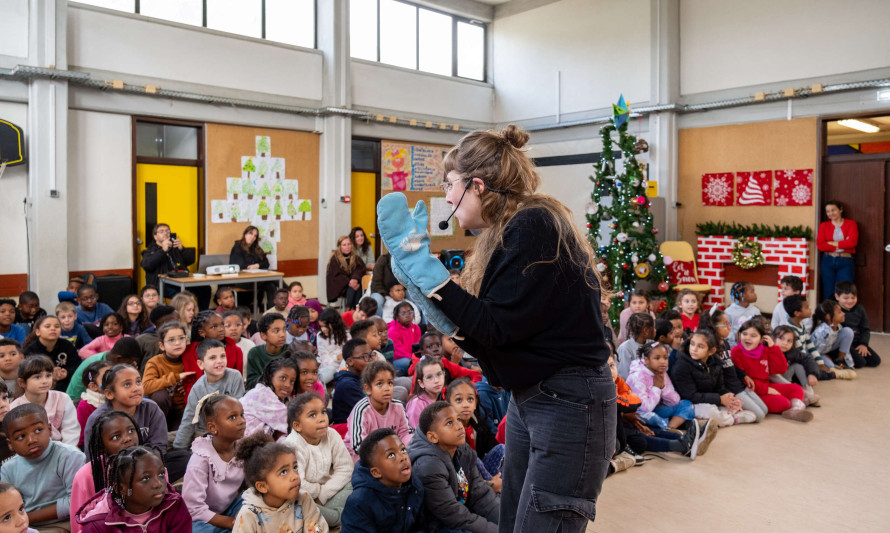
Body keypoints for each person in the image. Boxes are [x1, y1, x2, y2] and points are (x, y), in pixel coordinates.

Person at [378, 125, 615, 532]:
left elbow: (494, 326)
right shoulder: (508, 232)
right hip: (534, 397)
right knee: (514, 521)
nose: (447, 197)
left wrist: (428, 272)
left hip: (570, 402)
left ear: (478, 185)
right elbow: (488, 328)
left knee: (542, 523)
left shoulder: (533, 225)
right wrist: (421, 287)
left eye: (450, 184)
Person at [408, 401, 499, 533]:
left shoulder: (460, 446)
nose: (459, 426)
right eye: (449, 423)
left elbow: (481, 495)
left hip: (462, 513)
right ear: (433, 437)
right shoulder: (427, 466)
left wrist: (511, 523)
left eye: (458, 419)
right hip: (436, 526)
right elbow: (454, 515)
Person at [0, 404, 84, 530]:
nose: (31, 440)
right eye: (21, 437)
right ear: (10, 444)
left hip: (64, 522)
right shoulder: (7, 469)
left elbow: (76, 501)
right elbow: (8, 506)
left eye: (38, 430)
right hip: (22, 524)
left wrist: (28, 517)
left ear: (50, 430)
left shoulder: (69, 456)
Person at [75, 446, 191, 533]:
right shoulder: (97, 526)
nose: (158, 484)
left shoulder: (174, 505)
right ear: (121, 488)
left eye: (161, 474)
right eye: (145, 478)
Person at [232, 432, 328, 533]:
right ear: (262, 486)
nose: (295, 476)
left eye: (295, 467)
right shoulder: (248, 515)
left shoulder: (304, 499)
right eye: (283, 472)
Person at [283, 392, 354, 528]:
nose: (322, 419)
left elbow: (346, 468)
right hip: (305, 497)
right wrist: (317, 493)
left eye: (323, 412)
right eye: (313, 415)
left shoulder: (331, 434)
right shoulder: (291, 446)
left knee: (355, 481)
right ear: (297, 426)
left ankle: (331, 516)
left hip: (328, 493)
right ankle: (337, 516)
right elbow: (298, 484)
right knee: (294, 505)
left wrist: (324, 494)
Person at [71, 411, 143, 533]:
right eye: (116, 437)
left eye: (131, 431)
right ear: (102, 446)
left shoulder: (153, 465)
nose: (127, 438)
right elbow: (78, 522)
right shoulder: (86, 475)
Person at [340, 428, 424, 533]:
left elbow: (421, 526)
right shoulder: (360, 502)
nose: (403, 457)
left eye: (403, 450)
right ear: (376, 472)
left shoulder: (415, 485)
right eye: (391, 455)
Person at [182, 395, 246, 532]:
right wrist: (230, 522)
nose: (242, 421)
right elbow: (193, 509)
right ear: (212, 427)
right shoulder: (200, 461)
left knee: (258, 503)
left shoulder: (243, 448)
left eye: (242, 415)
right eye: (233, 417)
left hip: (229, 508)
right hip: (201, 519)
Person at [730, 319, 813, 422]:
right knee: (784, 403)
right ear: (739, 335)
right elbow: (742, 379)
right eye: (744, 334)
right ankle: (795, 405)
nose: (748, 338)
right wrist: (766, 390)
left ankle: (795, 411)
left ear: (761, 339)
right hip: (752, 391)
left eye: (753, 336)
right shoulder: (736, 352)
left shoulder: (765, 349)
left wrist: (774, 348)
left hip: (766, 385)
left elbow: (781, 369)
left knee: (796, 388)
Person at [669, 330, 756, 427]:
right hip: (690, 404)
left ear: (711, 351)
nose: (694, 349)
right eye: (692, 344)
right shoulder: (681, 366)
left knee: (735, 403)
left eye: (700, 346)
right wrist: (719, 399)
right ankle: (732, 419)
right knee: (711, 411)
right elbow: (690, 396)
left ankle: (719, 417)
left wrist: (727, 396)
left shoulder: (716, 363)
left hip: (709, 400)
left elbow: (719, 387)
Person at [173, 339, 245, 450]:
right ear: (200, 364)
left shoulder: (234, 376)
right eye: (212, 358)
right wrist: (178, 449)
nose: (219, 361)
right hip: (204, 432)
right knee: (171, 440)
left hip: (231, 429)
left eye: (222, 356)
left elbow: (240, 409)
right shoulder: (198, 388)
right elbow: (189, 419)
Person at [344, 361, 413, 463]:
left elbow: (406, 433)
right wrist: (386, 453)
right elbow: (358, 446)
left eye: (390, 383)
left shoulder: (398, 406)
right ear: (368, 389)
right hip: (362, 457)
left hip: (392, 453)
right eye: (379, 384)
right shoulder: (362, 410)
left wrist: (406, 448)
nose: (387, 388)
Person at [10, 355, 79, 446]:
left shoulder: (62, 398)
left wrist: (64, 454)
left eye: (48, 376)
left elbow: (71, 431)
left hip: (64, 450)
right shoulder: (15, 408)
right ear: (22, 383)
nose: (45, 381)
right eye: (37, 377)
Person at [182, 310, 244, 398]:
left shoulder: (236, 350)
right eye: (214, 327)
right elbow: (189, 383)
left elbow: (237, 381)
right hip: (199, 399)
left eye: (222, 324)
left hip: (228, 398)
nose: (221, 329)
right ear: (202, 332)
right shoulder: (189, 352)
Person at [142, 321, 192, 430]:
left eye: (181, 338)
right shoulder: (155, 362)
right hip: (163, 409)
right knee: (160, 395)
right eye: (171, 340)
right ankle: (156, 428)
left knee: (179, 435)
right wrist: (176, 378)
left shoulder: (190, 358)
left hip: (184, 410)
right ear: (161, 345)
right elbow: (145, 387)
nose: (178, 343)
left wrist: (188, 386)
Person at [241, 356, 298, 441]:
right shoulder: (261, 396)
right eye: (283, 378)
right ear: (270, 377)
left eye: (292, 381)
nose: (287, 385)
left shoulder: (270, 394)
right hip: (245, 448)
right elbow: (296, 423)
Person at [22, 316, 80, 393]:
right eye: (47, 326)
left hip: (66, 386)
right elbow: (28, 374)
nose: (53, 329)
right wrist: (49, 374)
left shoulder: (67, 345)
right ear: (38, 332)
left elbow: (77, 366)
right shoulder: (31, 350)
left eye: (57, 326)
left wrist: (66, 373)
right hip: (41, 388)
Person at [816, 200, 858, 298]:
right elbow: (821, 246)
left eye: (833, 210)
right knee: (828, 291)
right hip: (827, 261)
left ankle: (843, 313)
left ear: (840, 210)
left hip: (845, 261)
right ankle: (830, 313)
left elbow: (852, 242)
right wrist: (843, 243)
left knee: (845, 291)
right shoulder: (824, 226)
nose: (830, 213)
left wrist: (831, 243)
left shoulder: (851, 224)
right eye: (828, 211)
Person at [835, 281, 881, 368]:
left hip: (856, 343)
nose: (850, 301)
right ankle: (837, 357)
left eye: (853, 297)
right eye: (846, 298)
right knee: (860, 363)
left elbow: (865, 329)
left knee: (875, 361)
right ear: (837, 297)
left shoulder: (860, 309)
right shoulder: (835, 310)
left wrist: (863, 344)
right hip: (843, 344)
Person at [228, 225, 276, 309]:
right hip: (243, 280)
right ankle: (289, 291)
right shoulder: (237, 248)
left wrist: (257, 265)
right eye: (250, 234)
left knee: (271, 285)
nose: (252, 237)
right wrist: (251, 266)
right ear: (245, 234)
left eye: (255, 236)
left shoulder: (256, 248)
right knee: (273, 279)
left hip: (256, 279)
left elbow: (266, 263)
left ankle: (272, 312)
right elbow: (238, 265)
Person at [140, 223, 195, 294]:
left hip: (181, 281)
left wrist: (182, 249)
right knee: (178, 293)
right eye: (161, 231)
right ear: (155, 237)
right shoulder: (149, 251)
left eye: (167, 231)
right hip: (161, 284)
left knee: (205, 289)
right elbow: (147, 265)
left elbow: (191, 261)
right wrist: (163, 251)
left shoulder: (175, 248)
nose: (165, 233)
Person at [331, 339, 371, 426]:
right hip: (348, 428)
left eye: (371, 355)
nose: (370, 360)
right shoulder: (347, 384)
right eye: (364, 357)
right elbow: (368, 411)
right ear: (350, 361)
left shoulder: (362, 377)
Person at [245, 314, 288, 390]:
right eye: (276, 331)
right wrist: (267, 376)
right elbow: (250, 384)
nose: (282, 335)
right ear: (263, 335)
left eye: (284, 329)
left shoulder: (290, 350)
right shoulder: (255, 353)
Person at [75, 360, 112, 447]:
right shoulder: (86, 405)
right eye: (106, 377)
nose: (113, 379)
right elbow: (82, 438)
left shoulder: (119, 397)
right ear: (93, 386)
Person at [326, 235, 366, 311]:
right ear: (340, 246)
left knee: (357, 286)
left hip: (352, 285)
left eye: (349, 244)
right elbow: (336, 275)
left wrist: (355, 278)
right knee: (353, 287)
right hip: (339, 286)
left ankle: (353, 310)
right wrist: (349, 281)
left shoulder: (356, 258)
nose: (347, 247)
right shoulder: (335, 259)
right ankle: (350, 310)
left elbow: (359, 269)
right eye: (344, 245)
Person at [406, 356, 445, 429]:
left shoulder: (446, 395)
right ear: (421, 383)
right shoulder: (416, 405)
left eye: (439, 374)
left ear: (444, 374)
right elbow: (415, 434)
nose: (436, 380)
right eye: (429, 377)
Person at [616, 312, 654, 380]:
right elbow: (624, 375)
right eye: (653, 328)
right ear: (646, 330)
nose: (655, 330)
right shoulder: (625, 348)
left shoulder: (652, 344)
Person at [724, 281, 762, 347]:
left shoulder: (756, 311)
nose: (755, 294)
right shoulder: (729, 312)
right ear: (742, 295)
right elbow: (725, 331)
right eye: (752, 292)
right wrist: (736, 338)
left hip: (752, 346)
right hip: (734, 346)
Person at [387, 302, 421, 376]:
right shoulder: (392, 330)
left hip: (412, 358)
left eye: (410, 312)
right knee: (408, 362)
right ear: (397, 317)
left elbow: (417, 347)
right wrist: (414, 359)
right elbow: (398, 352)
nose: (407, 316)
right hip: (397, 360)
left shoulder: (416, 328)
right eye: (403, 313)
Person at [316, 309, 348, 386]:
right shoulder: (320, 336)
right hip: (327, 368)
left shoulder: (346, 336)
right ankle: (318, 385)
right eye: (321, 326)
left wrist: (342, 359)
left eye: (325, 326)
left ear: (334, 324)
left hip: (342, 367)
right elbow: (324, 357)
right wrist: (337, 358)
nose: (323, 329)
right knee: (331, 370)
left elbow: (348, 355)